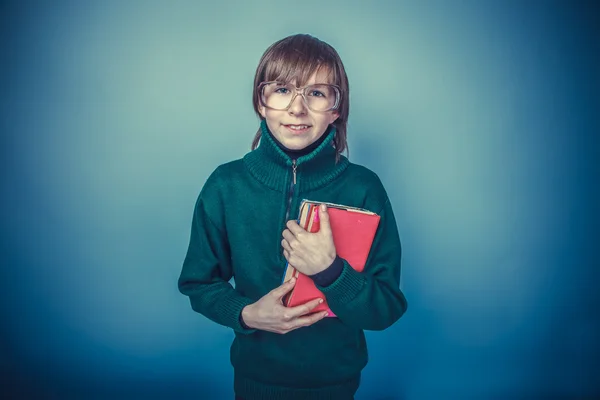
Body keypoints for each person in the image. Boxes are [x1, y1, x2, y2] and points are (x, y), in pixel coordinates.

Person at [178, 33, 407, 400]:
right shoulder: (226, 185)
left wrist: (330, 271)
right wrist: (247, 313)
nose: (297, 109)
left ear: (336, 108)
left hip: (336, 384)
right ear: (261, 102)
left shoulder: (364, 189)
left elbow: (386, 308)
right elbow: (198, 284)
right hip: (255, 379)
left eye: (316, 93)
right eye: (282, 90)